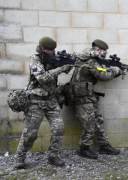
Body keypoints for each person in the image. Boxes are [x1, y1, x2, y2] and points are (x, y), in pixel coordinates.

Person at [15, 37, 71, 168]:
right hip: (35, 100)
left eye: (53, 50)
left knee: (59, 129)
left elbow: (61, 68)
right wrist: (61, 68)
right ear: (42, 48)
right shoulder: (35, 59)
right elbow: (43, 78)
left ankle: (53, 156)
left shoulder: (53, 58)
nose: (51, 52)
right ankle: (19, 159)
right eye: (48, 50)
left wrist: (67, 65)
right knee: (30, 133)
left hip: (51, 100)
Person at [67, 39, 121, 159]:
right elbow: (103, 76)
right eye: (103, 51)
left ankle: (104, 145)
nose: (105, 53)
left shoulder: (92, 60)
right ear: (97, 50)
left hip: (89, 96)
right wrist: (116, 71)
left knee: (98, 121)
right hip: (82, 97)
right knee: (89, 123)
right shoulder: (89, 60)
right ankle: (84, 148)